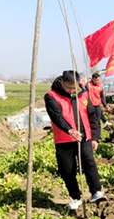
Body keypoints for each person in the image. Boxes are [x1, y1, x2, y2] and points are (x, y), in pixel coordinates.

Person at [44, 70, 107, 210]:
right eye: (68, 88)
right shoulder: (51, 96)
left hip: (84, 137)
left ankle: (96, 191)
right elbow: (56, 117)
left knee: (89, 162)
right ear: (61, 82)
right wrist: (69, 130)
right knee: (67, 170)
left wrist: (95, 137)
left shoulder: (83, 94)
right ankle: (76, 197)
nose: (71, 91)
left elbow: (92, 117)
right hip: (64, 139)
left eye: (74, 88)